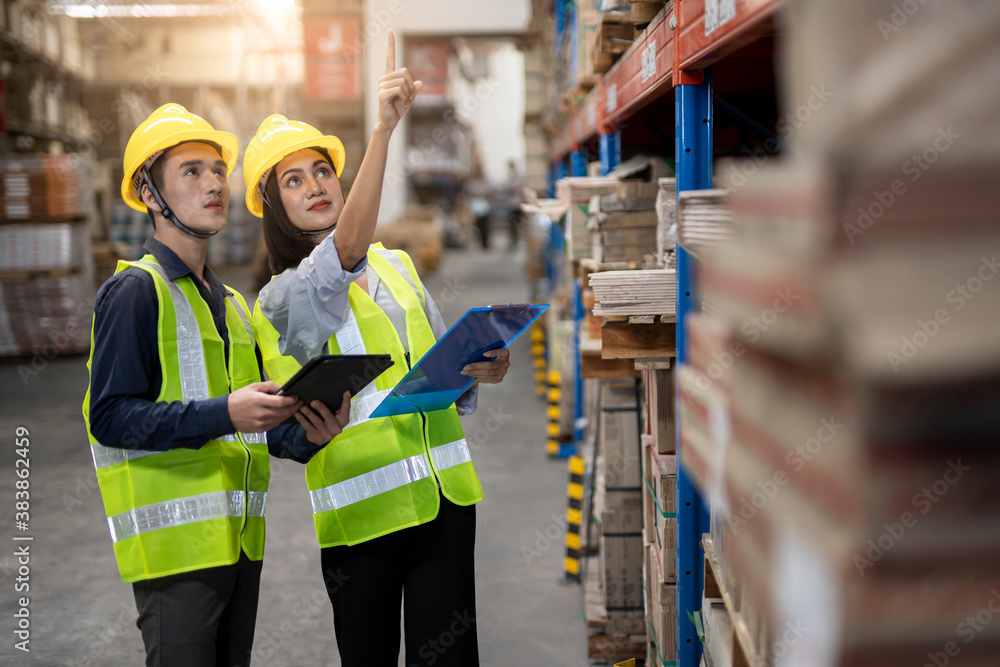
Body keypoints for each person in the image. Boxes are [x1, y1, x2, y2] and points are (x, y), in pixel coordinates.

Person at [243, 31, 511, 667]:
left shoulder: (394, 265)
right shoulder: (281, 298)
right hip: (364, 520)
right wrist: (384, 131)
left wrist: (483, 367)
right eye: (293, 180)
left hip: (445, 503)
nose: (316, 185)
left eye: (322, 171)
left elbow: (441, 364)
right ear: (272, 206)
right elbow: (342, 255)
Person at [82, 103, 351, 667]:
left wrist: (310, 434)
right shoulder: (135, 292)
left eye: (216, 170)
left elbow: (258, 430)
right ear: (149, 194)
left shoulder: (230, 306)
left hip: (239, 546)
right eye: (191, 171)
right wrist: (223, 414)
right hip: (175, 554)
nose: (213, 184)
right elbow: (109, 418)